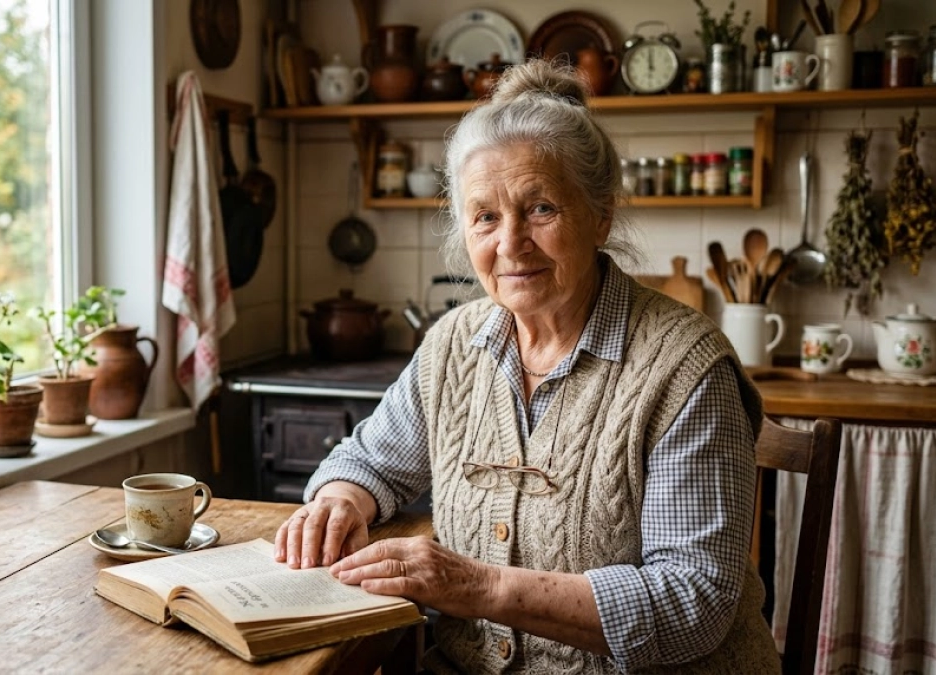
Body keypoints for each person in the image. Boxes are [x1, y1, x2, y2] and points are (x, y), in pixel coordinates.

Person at [274, 59, 780, 674]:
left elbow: (693, 600)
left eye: (540, 208)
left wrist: (477, 587)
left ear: (600, 215)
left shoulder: (683, 368)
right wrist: (340, 501)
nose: (510, 244)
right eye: (485, 216)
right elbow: (368, 461)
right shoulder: (454, 345)